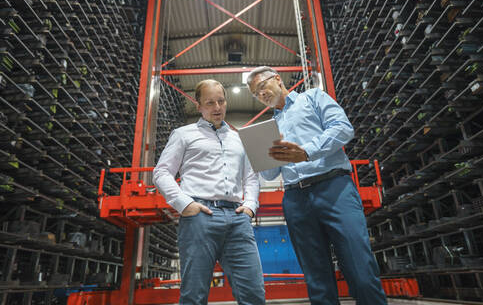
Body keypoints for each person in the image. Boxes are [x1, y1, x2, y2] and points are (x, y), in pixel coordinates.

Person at [247, 66, 387, 305]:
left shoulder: (312, 98)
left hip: (334, 187)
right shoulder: (269, 128)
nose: (262, 95)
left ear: (277, 80)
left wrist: (307, 152)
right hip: (295, 199)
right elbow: (270, 175)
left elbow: (343, 128)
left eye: (262, 87)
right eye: (256, 94)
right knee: (316, 277)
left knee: (359, 266)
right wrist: (259, 155)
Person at [153, 79, 265, 305]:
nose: (217, 107)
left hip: (237, 218)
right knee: (194, 294)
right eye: (210, 102)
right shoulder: (183, 134)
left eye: (221, 101)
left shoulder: (240, 138)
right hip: (199, 217)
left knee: (253, 292)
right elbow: (161, 172)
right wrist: (185, 204)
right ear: (199, 106)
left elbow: (251, 176)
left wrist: (250, 207)